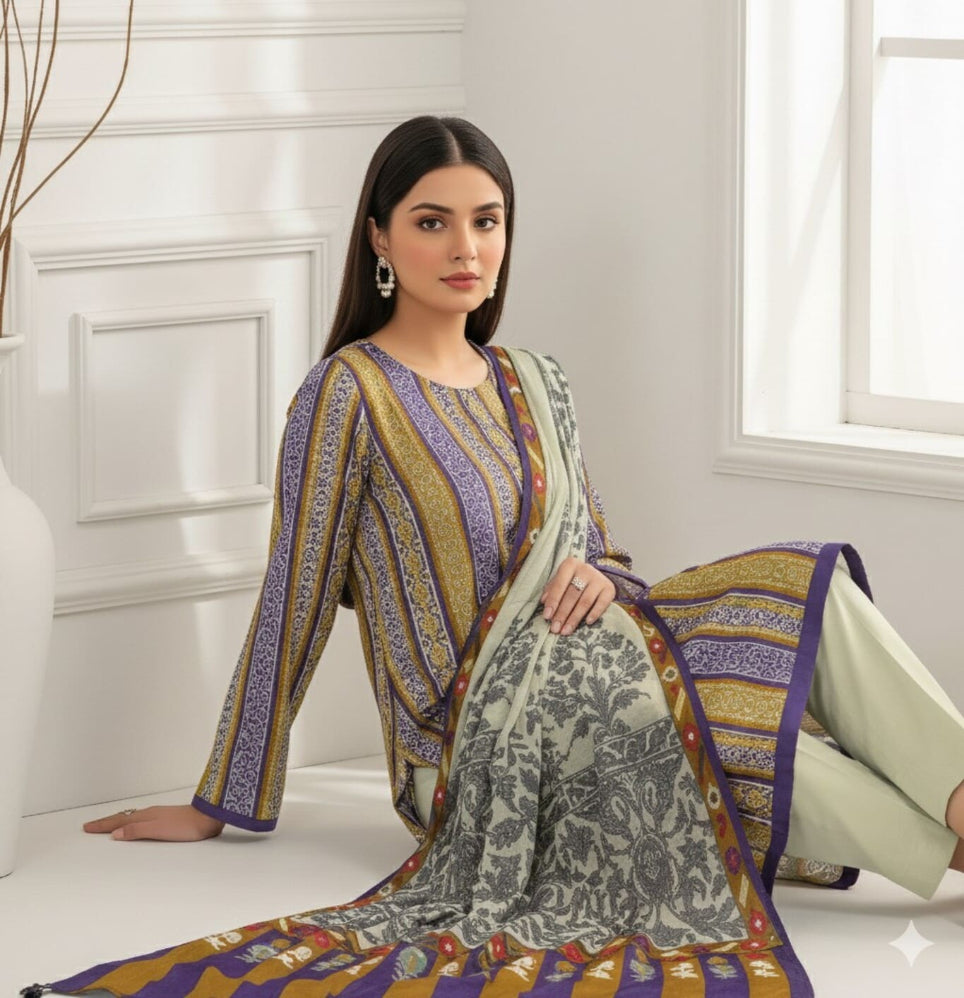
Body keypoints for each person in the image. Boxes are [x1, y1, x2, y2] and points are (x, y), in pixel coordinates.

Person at [28, 116, 964, 998]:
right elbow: (294, 597)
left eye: (487, 221)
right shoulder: (346, 394)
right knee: (715, 730)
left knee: (808, 588)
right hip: (474, 746)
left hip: (605, 656)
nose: (466, 248)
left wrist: (601, 573)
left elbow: (600, 547)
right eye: (432, 222)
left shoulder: (536, 380)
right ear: (380, 238)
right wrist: (220, 799)